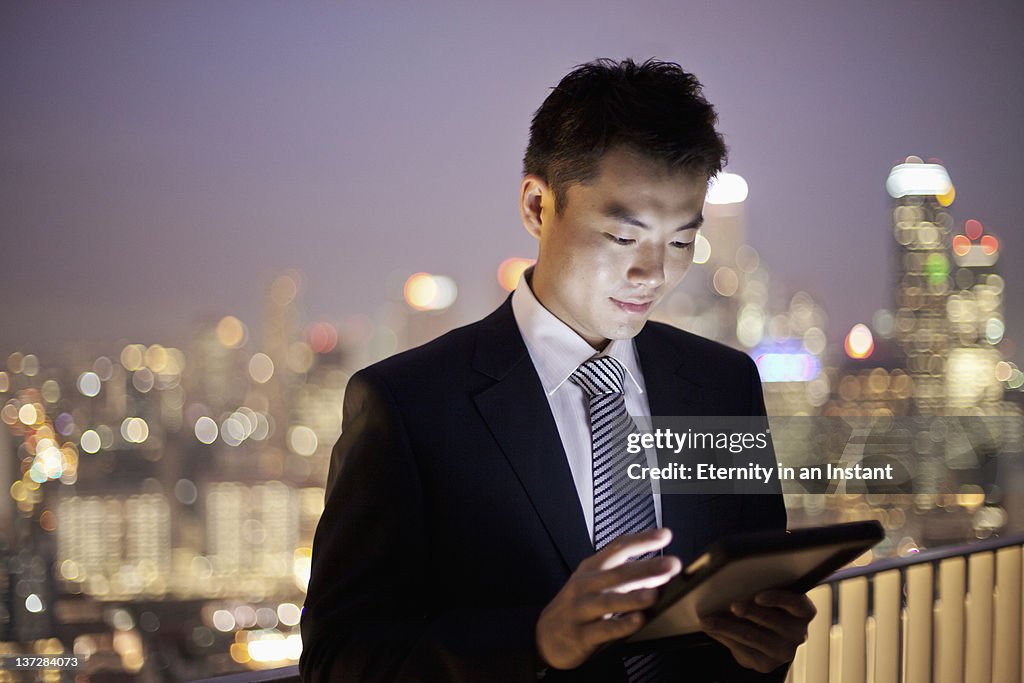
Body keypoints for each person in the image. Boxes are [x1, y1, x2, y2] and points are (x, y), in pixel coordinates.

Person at [299, 58, 815, 682]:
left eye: (681, 241)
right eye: (624, 238)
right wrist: (538, 639)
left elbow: (750, 618)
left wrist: (768, 651)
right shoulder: (409, 405)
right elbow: (337, 661)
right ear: (538, 206)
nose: (653, 273)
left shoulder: (724, 384)